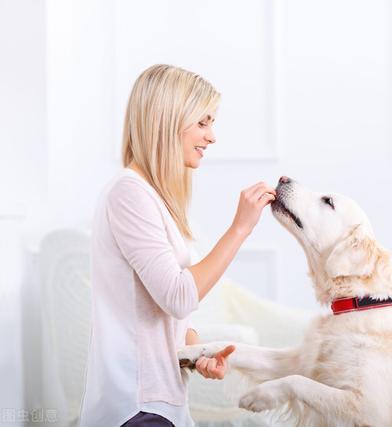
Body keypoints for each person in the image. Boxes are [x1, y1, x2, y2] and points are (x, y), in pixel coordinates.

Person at [78, 64, 276, 427]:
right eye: (203, 122)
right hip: (137, 406)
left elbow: (163, 312)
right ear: (167, 120)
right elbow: (178, 295)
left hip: (161, 401)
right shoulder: (129, 194)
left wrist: (193, 351)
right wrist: (240, 229)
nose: (212, 136)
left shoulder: (154, 198)